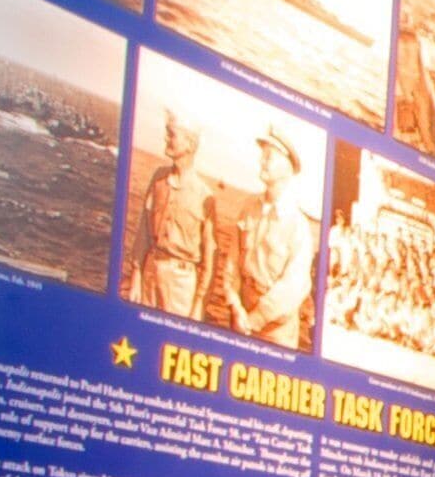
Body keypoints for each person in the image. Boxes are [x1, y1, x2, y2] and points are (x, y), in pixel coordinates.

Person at [223, 129, 315, 349]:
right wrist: (235, 305)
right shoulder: (249, 207)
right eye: (262, 155)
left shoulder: (298, 226)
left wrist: (253, 320)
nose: (261, 161)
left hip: (274, 332)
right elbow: (232, 263)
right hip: (240, 315)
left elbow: (292, 288)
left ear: (287, 168)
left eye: (268, 157)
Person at [124, 112, 213, 318]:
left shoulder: (205, 196)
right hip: (150, 276)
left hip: (181, 288)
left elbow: (210, 259)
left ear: (189, 144)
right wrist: (137, 274)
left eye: (172, 134)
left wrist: (199, 303)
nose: (166, 138)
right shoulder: (159, 178)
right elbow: (144, 229)